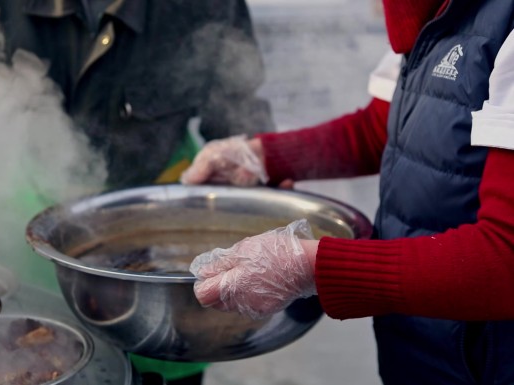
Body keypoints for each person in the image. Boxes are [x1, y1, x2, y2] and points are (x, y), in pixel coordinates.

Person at [0, 0, 274, 383]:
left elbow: (237, 104)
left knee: (159, 368)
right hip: (27, 222)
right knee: (25, 358)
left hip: (159, 238)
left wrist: (264, 165)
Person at [181, 1, 514, 384]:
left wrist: (312, 268)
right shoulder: (429, 12)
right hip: (426, 344)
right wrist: (262, 157)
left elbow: (506, 256)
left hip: (488, 359)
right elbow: (381, 127)